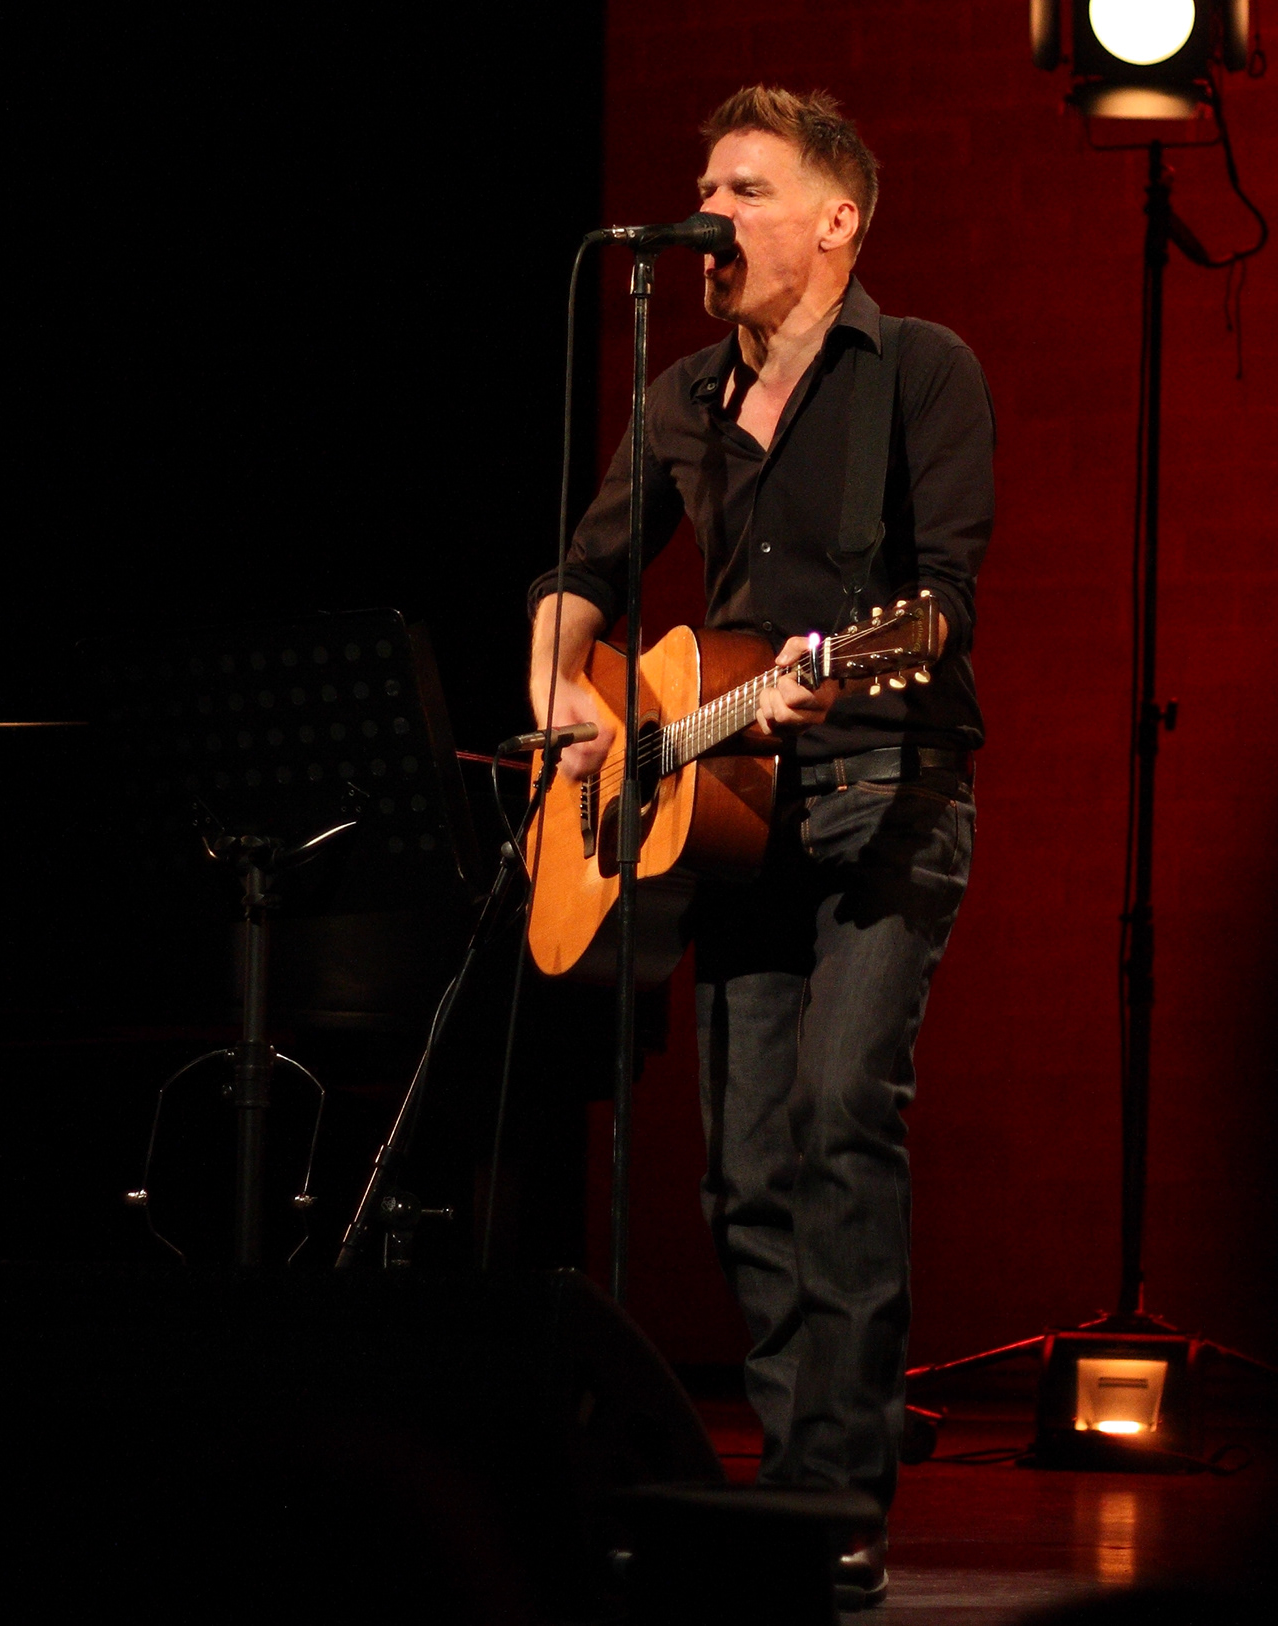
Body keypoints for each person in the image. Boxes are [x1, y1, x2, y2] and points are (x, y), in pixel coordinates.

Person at [527, 86, 993, 1611]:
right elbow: (583, 572)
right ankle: (794, 1478)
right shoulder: (680, 395)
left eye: (744, 190)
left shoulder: (920, 369)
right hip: (734, 815)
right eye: (705, 188)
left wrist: (830, 677)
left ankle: (835, 1495)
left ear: (837, 221)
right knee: (740, 1171)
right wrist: (563, 690)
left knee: (839, 1115)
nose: (707, 217)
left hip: (887, 787)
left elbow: (940, 605)